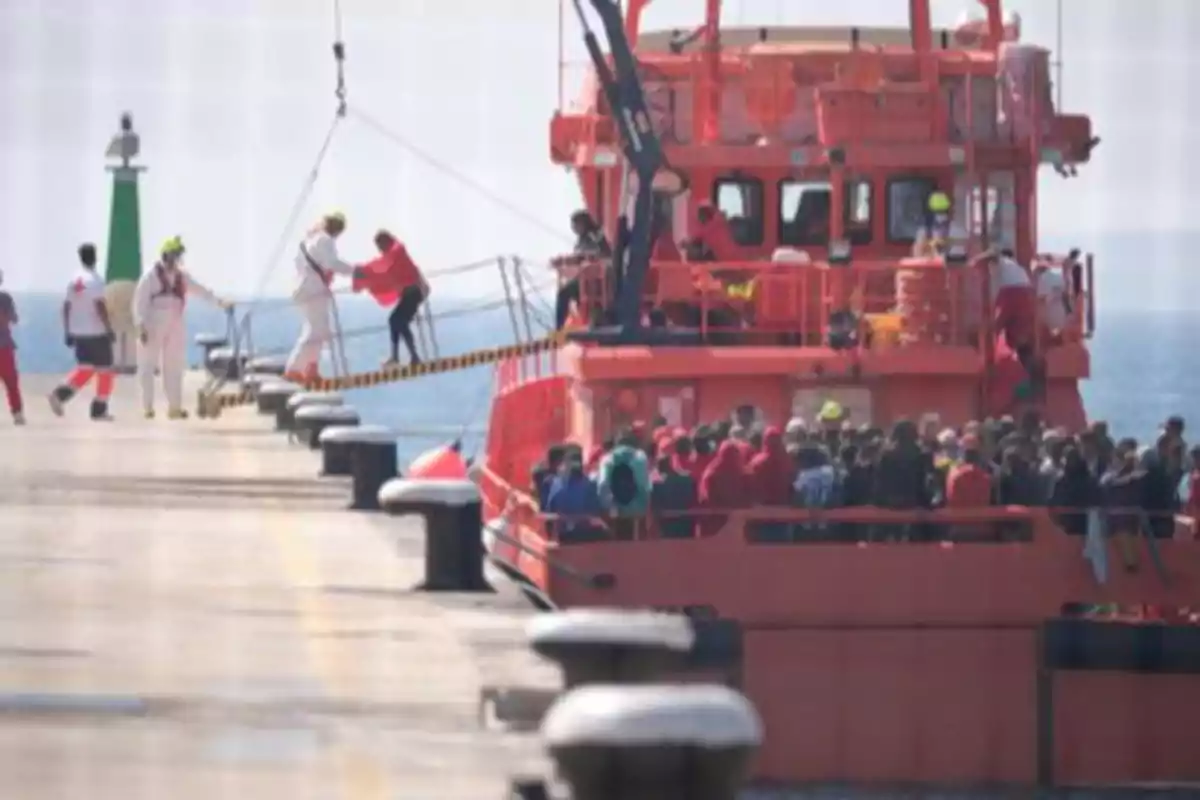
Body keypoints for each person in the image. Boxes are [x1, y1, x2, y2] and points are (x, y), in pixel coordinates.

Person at [133, 236, 230, 420]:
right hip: (153, 324)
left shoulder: (181, 277)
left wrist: (219, 302)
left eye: (178, 256)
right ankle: (147, 407)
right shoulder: (150, 277)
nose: (176, 260)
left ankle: (174, 408)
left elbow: (200, 291)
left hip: (175, 323)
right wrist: (141, 326)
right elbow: (140, 302)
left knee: (174, 366)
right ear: (166, 255)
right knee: (147, 365)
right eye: (174, 255)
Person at [284, 212, 363, 383]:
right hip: (313, 290)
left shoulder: (309, 240)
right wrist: (356, 271)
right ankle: (294, 369)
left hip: (303, 288)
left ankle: (311, 368)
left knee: (320, 329)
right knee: (314, 330)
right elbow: (332, 264)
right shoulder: (325, 240)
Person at [49, 243, 117, 420]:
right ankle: (99, 409)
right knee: (105, 370)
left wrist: (68, 330)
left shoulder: (74, 280)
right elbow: (99, 305)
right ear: (95, 257)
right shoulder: (96, 280)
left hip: (78, 331)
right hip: (96, 332)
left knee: (85, 369)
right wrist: (109, 328)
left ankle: (60, 395)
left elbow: (66, 306)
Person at [371, 230, 428, 367]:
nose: (379, 250)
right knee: (396, 321)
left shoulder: (397, 250)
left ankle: (410, 357)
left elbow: (392, 259)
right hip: (410, 293)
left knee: (398, 320)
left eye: (380, 246)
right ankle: (400, 357)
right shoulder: (393, 254)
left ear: (385, 242)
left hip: (415, 292)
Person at [554, 210, 611, 330]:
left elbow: (602, 253)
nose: (574, 228)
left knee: (564, 293)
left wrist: (580, 258)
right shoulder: (580, 240)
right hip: (584, 279)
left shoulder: (594, 236)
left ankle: (559, 328)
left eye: (575, 224)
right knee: (573, 295)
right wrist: (565, 261)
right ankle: (588, 320)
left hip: (597, 278)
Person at [912, 191, 967, 257]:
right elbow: (959, 258)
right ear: (949, 209)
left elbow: (917, 256)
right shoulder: (958, 230)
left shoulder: (923, 230)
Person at [0, 268, 23, 424]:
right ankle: (17, 414)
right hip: (4, 346)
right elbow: (14, 318)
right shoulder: (5, 298)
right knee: (11, 382)